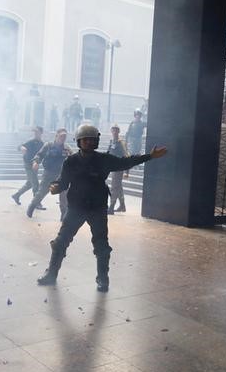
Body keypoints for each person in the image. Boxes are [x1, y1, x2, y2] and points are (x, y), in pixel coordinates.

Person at [36, 124, 167, 292]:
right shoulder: (71, 161)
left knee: (102, 247)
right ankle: (51, 274)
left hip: (97, 208)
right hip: (76, 208)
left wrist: (149, 156)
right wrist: (55, 187)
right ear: (79, 141)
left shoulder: (104, 159)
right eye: (86, 140)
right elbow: (63, 182)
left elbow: (126, 161)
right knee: (60, 242)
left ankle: (103, 278)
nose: (90, 143)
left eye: (93, 140)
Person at [27, 128, 73, 219]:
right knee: (42, 192)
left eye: (64, 136)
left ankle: (63, 215)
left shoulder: (67, 148)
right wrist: (36, 162)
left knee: (64, 195)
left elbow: (73, 159)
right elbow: (39, 155)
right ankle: (32, 206)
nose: (63, 138)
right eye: (61, 136)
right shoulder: (48, 145)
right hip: (49, 174)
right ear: (57, 136)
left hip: (61, 176)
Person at [12, 126, 44, 206]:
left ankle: (16, 195)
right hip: (28, 165)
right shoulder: (31, 141)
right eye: (34, 132)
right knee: (35, 184)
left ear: (41, 133)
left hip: (35, 165)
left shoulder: (42, 143)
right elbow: (19, 146)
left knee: (30, 183)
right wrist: (22, 148)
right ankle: (36, 203)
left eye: (37, 132)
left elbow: (42, 154)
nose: (35, 133)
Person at [107, 124, 129, 214]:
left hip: (119, 167)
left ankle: (111, 207)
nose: (114, 132)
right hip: (113, 167)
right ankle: (122, 205)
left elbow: (127, 156)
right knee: (118, 186)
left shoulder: (121, 143)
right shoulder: (112, 142)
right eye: (113, 130)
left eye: (116, 130)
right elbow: (107, 154)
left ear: (119, 132)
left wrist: (127, 171)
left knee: (114, 187)